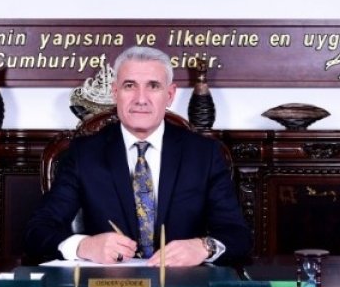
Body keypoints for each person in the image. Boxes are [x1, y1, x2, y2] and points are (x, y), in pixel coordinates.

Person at [24, 46, 252, 266]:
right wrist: (84, 246)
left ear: (170, 95)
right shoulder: (84, 153)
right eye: (129, 86)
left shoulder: (204, 154)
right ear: (115, 92)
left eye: (153, 86)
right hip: (109, 286)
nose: (141, 99)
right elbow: (37, 231)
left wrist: (204, 247)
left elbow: (238, 236)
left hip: (183, 285)